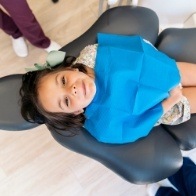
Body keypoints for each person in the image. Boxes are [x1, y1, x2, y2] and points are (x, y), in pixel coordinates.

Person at [20, 33, 196, 144]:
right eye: (66, 101)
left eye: (64, 80)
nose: (72, 89)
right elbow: (136, 127)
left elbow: (138, 50)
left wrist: (166, 75)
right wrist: (172, 99)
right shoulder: (103, 126)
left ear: (69, 69)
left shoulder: (92, 55)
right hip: (167, 106)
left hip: (164, 71)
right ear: (75, 112)